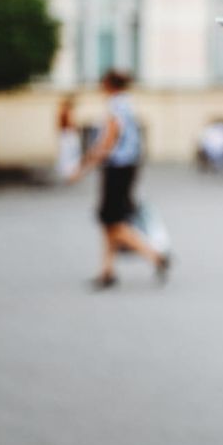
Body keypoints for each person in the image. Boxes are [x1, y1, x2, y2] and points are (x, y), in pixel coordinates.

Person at [69, 69, 170, 289]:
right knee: (109, 222)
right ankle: (107, 271)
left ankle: (156, 256)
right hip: (127, 167)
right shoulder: (127, 103)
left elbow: (108, 142)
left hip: (117, 169)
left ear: (108, 84)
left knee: (113, 221)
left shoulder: (116, 106)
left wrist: (83, 166)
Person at [55, 95, 82, 183]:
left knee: (66, 155)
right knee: (71, 155)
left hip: (65, 135)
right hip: (69, 135)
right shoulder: (68, 112)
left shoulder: (61, 112)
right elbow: (71, 124)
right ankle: (71, 174)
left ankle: (69, 174)